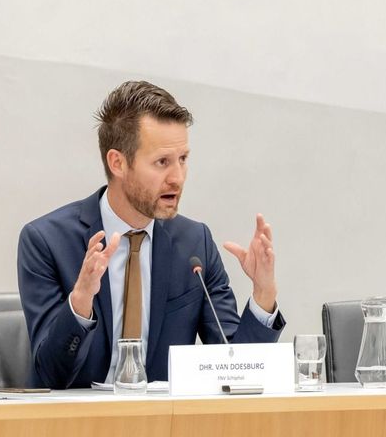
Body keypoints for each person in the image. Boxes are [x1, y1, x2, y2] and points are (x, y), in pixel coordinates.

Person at [18, 81, 285, 389]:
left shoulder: (194, 244)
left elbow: (236, 369)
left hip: (165, 428)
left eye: (183, 159)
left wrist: (264, 294)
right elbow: (51, 376)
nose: (178, 178)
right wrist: (80, 301)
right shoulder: (46, 241)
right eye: (162, 162)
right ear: (118, 162)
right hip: (78, 428)